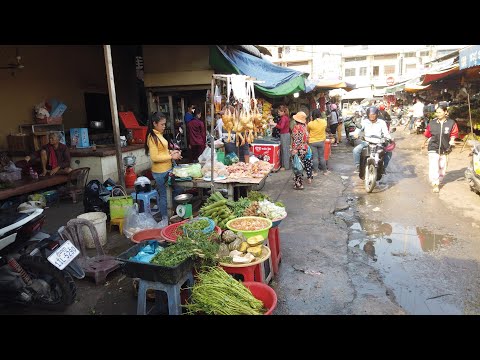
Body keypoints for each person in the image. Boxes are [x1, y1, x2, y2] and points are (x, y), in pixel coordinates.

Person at [145, 112, 182, 219]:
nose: (164, 126)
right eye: (162, 124)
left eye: (165, 124)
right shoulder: (152, 137)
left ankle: (171, 211)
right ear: (155, 124)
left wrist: (172, 152)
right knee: (164, 195)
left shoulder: (158, 135)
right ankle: (165, 219)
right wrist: (171, 157)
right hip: (160, 172)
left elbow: (162, 151)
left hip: (167, 169)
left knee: (178, 189)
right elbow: (155, 157)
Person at [423, 104, 458, 193]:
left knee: (442, 166)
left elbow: (454, 134)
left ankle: (439, 179)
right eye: (437, 112)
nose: (437, 114)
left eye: (440, 112)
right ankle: (435, 183)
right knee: (434, 165)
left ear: (445, 112)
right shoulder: (432, 123)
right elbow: (427, 134)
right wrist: (425, 140)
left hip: (445, 147)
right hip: (433, 147)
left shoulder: (451, 123)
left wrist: (452, 140)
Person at [352, 106, 392, 173]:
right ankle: (358, 166)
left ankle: (383, 168)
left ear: (377, 114)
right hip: (366, 142)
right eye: (370, 115)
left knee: (389, 152)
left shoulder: (382, 122)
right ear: (368, 115)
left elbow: (386, 133)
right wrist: (355, 134)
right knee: (356, 150)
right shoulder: (364, 121)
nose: (372, 116)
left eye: (374, 114)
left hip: (379, 142)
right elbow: (359, 128)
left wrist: (389, 138)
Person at [291, 111, 310, 190]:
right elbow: (307, 138)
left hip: (298, 148)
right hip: (304, 148)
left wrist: (294, 149)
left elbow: (296, 140)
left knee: (297, 166)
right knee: (300, 165)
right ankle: (298, 182)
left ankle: (299, 184)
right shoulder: (304, 127)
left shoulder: (297, 127)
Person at [307, 109, 329, 176]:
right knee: (322, 157)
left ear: (312, 115)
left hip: (312, 142)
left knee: (315, 157)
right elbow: (325, 128)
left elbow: (308, 131)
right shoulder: (324, 122)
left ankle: (315, 172)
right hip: (321, 141)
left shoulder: (310, 123)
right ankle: (325, 171)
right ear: (320, 114)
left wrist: (311, 120)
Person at [269, 105, 291, 170]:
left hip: (284, 135)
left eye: (279, 112)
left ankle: (285, 167)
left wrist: (275, 124)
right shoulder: (285, 117)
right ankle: (284, 165)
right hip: (285, 134)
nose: (278, 113)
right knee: (285, 150)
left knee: (285, 151)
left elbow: (281, 127)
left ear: (283, 112)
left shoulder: (284, 118)